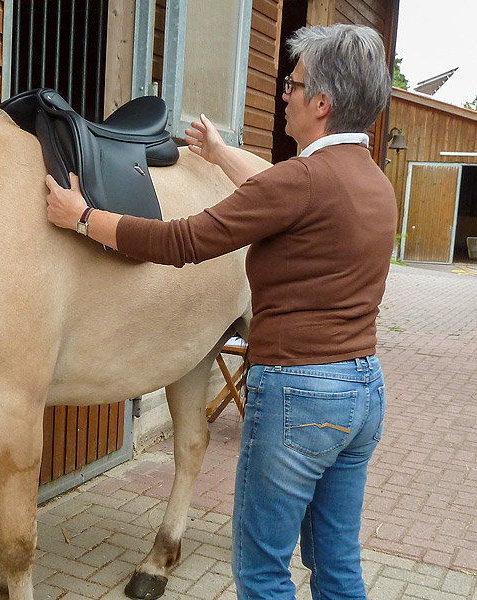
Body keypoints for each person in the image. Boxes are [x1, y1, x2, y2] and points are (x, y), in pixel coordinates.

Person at [45, 22, 396, 600]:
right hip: (362, 391)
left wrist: (84, 218)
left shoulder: (303, 181)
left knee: (261, 573)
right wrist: (219, 153)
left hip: (298, 397)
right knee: (337, 563)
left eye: (294, 83)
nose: (285, 92)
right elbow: (278, 191)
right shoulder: (373, 183)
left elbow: (180, 242)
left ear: (323, 103)